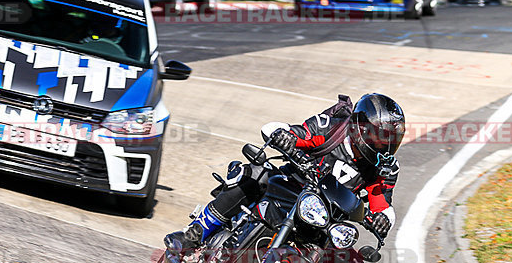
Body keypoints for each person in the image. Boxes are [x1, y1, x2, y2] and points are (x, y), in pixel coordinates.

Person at [164, 93, 405, 253]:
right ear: (359, 126)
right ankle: (195, 233)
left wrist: (383, 220)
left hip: (323, 218)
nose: (383, 144)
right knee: (255, 174)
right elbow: (280, 129)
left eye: (390, 140)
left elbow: (382, 205)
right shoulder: (331, 129)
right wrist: (284, 137)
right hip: (289, 186)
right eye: (379, 136)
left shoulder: (384, 167)